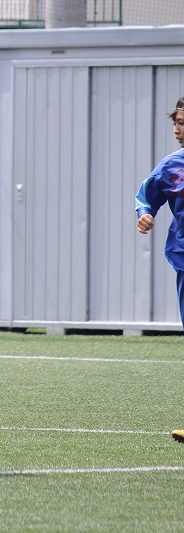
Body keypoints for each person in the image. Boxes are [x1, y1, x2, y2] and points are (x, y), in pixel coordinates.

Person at [134, 96, 184, 444]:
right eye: (176, 123)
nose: (178, 130)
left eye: (183, 123)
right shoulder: (171, 166)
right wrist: (144, 214)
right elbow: (146, 196)